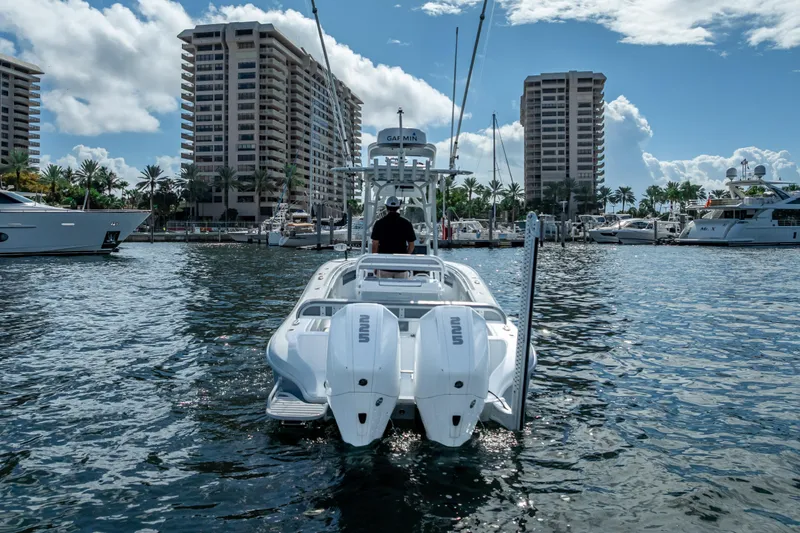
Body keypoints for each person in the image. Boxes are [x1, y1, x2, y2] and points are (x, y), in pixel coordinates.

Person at [370, 196, 417, 278]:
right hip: (401, 266)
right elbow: (411, 245)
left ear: (386, 207)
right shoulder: (406, 223)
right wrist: (405, 256)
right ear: (398, 207)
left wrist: (375, 264)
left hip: (384, 266)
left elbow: (375, 246)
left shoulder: (379, 224)